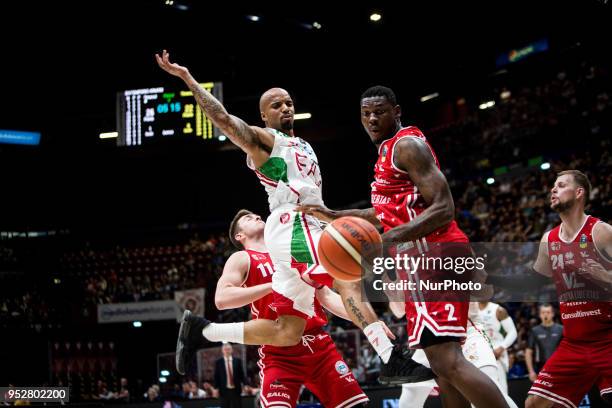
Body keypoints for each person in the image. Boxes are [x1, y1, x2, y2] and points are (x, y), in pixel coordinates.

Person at [156, 51, 431, 383]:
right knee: (345, 270)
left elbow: (330, 299)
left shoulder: (301, 144)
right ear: (263, 115)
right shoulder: (266, 141)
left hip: (303, 226)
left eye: (288, 102)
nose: (285, 107)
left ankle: (204, 331)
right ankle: (389, 357)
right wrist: (187, 79)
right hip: (292, 224)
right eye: (276, 105)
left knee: (289, 329)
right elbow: (225, 120)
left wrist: (369, 321)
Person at [299, 85, 510, 407]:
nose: (371, 119)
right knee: (440, 366)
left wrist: (383, 242)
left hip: (436, 254)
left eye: (379, 112)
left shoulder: (407, 146)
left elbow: (443, 207)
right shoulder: (387, 151)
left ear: (396, 112)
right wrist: (335, 216)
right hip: (419, 260)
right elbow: (386, 211)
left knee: (448, 359)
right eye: (365, 114)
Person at [215, 209, 369, 407]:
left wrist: (368, 322)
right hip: (279, 351)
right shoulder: (243, 258)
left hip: (318, 345)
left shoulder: (293, 251)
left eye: (256, 215)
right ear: (240, 236)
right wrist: (273, 284)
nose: (257, 216)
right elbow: (222, 298)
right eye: (248, 218)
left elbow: (326, 296)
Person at [526, 170, 612, 408]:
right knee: (534, 403)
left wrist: (603, 275)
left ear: (579, 192)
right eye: (553, 186)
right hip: (574, 344)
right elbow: (531, 282)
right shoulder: (548, 240)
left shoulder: (601, 232)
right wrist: (489, 278)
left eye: (561, 185)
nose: (553, 189)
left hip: (607, 339)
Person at [393, 302, 518, 408]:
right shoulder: (406, 274)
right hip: (430, 338)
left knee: (493, 390)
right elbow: (398, 310)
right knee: (411, 391)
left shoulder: (496, 308)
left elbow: (483, 289)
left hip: (466, 331)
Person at [477, 301, 518, 394]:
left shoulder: (498, 310)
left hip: (496, 351)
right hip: (477, 351)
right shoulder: (470, 308)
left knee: (500, 390)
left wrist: (501, 348)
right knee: (478, 391)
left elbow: (513, 332)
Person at [525, 304, 563, 382]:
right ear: (539, 315)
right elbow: (528, 352)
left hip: (559, 367)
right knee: (541, 394)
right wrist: (531, 371)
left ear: (552, 314)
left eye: (548, 312)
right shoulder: (535, 331)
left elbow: (569, 350)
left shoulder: (561, 329)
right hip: (541, 368)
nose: (545, 314)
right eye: (543, 312)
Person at [214, 343, 245, 408]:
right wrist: (215, 388)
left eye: (228, 349)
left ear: (232, 350)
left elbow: (241, 374)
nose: (227, 351)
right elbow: (216, 376)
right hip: (223, 390)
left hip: (236, 389)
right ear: (222, 351)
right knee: (225, 406)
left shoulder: (237, 361)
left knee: (238, 406)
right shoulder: (218, 362)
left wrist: (245, 384)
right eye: (225, 349)